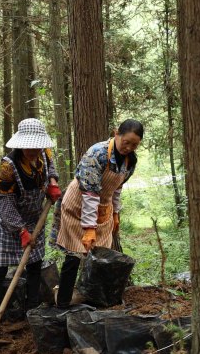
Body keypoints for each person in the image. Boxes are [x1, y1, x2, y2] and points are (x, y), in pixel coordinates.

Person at [54, 119, 143, 307]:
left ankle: (95, 298)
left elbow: (117, 189)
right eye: (126, 142)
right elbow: (90, 194)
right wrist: (88, 228)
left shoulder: (130, 160)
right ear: (116, 133)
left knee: (100, 257)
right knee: (74, 254)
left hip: (104, 209)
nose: (128, 147)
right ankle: (62, 302)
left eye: (134, 145)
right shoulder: (97, 154)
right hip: (78, 205)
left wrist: (116, 213)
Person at [0, 118, 62, 328]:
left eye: (36, 145)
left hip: (34, 216)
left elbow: (51, 167)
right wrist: (20, 230)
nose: (32, 150)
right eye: (28, 146)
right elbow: (5, 201)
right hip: (8, 220)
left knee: (35, 264)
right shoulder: (8, 167)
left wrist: (52, 183)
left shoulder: (44, 153)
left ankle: (31, 312)